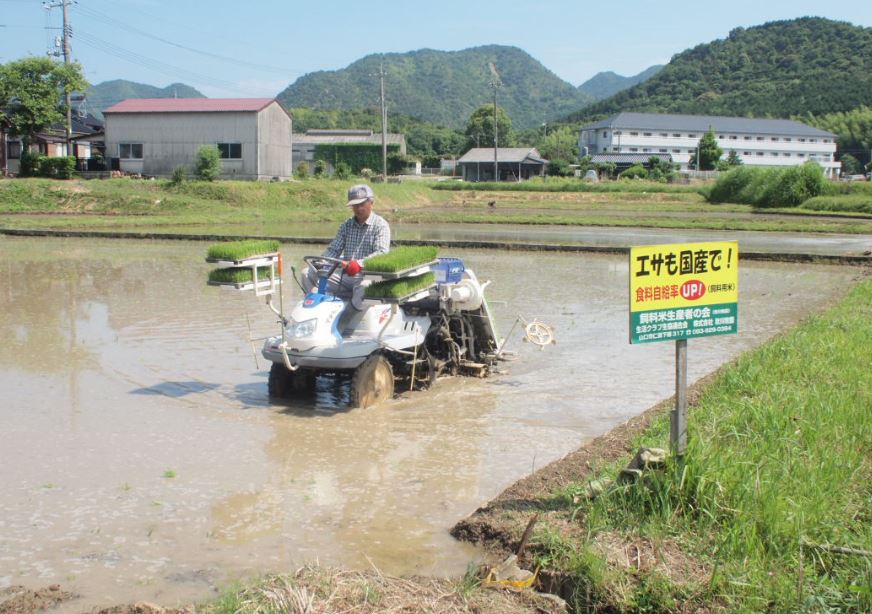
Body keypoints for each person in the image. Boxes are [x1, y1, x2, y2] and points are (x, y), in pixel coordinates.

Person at [306, 183, 390, 309]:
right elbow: (334, 249)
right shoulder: (347, 225)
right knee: (307, 273)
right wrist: (321, 262)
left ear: (371, 203)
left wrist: (359, 264)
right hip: (345, 276)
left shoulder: (380, 225)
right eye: (355, 205)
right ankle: (320, 309)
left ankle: (349, 317)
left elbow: (382, 253)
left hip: (366, 275)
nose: (358, 208)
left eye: (362, 204)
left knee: (365, 286)